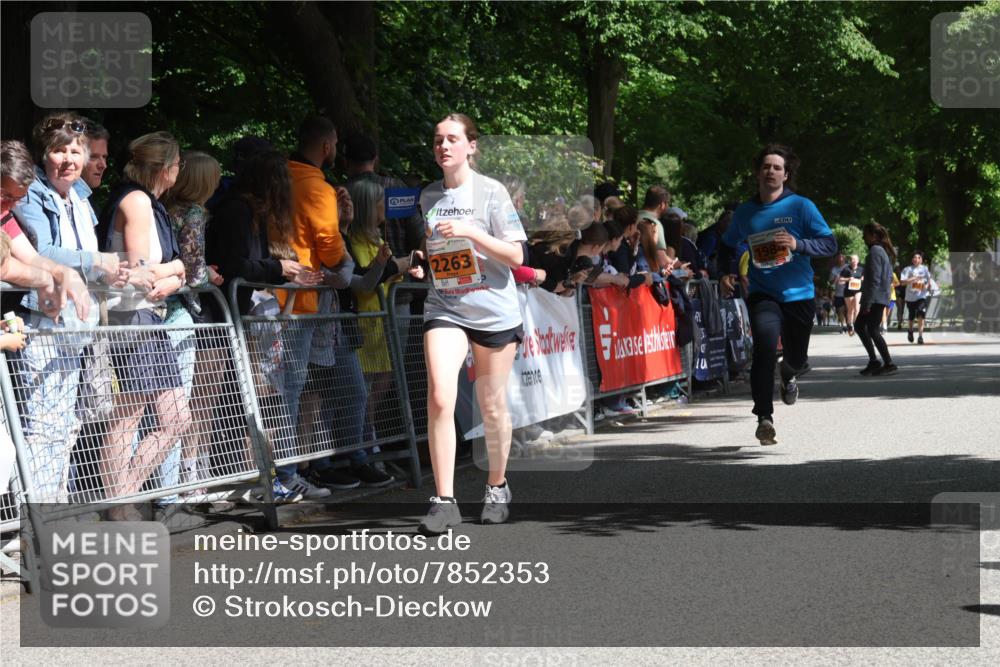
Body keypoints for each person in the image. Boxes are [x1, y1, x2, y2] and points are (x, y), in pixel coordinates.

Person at [415, 113, 527, 535]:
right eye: (438, 140)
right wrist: (422, 263)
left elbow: (516, 256)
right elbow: (439, 249)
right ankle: (444, 501)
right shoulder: (428, 195)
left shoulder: (492, 193)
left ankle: (496, 486)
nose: (443, 146)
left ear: (471, 146)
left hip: (494, 312)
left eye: (453, 139)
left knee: (492, 406)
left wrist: (470, 232)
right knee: (441, 396)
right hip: (446, 306)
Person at [12, 115, 127, 502]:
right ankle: (33, 514)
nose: (69, 160)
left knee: (67, 423)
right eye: (59, 150)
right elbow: (41, 252)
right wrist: (96, 261)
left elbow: (86, 259)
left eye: (75, 151)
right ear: (44, 155)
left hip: (78, 322)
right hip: (45, 320)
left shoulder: (81, 196)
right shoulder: (30, 194)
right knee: (41, 422)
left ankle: (56, 503)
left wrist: (111, 274)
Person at [205, 150, 319, 503]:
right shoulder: (238, 211)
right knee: (249, 400)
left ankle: (257, 479)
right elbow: (238, 266)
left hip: (243, 319)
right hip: (227, 318)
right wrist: (278, 269)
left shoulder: (251, 213)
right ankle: (253, 480)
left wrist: (281, 272)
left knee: (252, 400)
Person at [99, 131, 193, 520]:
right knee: (129, 414)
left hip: (146, 317)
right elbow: (142, 273)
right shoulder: (136, 201)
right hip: (129, 316)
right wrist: (177, 270)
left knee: (176, 418)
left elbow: (166, 275)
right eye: (177, 163)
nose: (180, 170)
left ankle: (124, 497)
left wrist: (176, 274)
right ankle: (118, 508)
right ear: (165, 168)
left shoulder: (150, 203)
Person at [720, 144, 837, 445]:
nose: (771, 171)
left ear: (786, 174)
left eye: (777, 167)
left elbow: (829, 244)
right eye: (766, 166)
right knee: (764, 348)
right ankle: (764, 417)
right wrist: (724, 272)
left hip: (799, 294)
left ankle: (789, 372)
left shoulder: (801, 207)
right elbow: (727, 243)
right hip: (764, 294)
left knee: (796, 357)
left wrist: (799, 245)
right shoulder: (746, 212)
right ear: (758, 172)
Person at [162, 151, 225, 495]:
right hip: (179, 309)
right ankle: (182, 485)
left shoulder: (166, 208)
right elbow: (195, 270)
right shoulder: (195, 213)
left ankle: (170, 483)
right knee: (182, 402)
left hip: (159, 309)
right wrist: (210, 277)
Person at [855, 223, 897, 376]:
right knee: (861, 326)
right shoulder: (882, 251)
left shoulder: (875, 251)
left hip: (875, 298)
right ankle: (875, 361)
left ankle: (888, 363)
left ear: (873, 235)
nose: (863, 237)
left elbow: (874, 279)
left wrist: (868, 302)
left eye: (865, 234)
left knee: (871, 329)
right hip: (879, 296)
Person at [901, 250, 934, 345]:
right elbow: (902, 282)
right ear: (912, 260)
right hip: (910, 296)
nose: (917, 259)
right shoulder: (907, 269)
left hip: (922, 295)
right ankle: (910, 331)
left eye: (919, 258)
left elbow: (929, 279)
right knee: (911, 315)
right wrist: (913, 278)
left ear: (921, 260)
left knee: (921, 313)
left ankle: (920, 336)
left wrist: (927, 285)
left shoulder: (925, 269)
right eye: (915, 257)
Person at [839, 254, 863, 335]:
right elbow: (840, 280)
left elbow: (865, 277)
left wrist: (862, 279)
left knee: (857, 307)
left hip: (858, 290)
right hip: (848, 291)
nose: (853, 261)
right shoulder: (846, 269)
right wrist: (848, 279)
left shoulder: (861, 269)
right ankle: (850, 325)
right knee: (850, 310)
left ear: (858, 261)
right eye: (852, 260)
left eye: (855, 260)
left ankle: (857, 325)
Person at [828, 253, 848, 332]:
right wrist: (835, 279)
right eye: (839, 257)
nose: (840, 259)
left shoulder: (848, 267)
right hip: (838, 293)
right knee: (840, 310)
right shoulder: (834, 269)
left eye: (842, 257)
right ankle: (843, 326)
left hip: (848, 292)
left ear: (844, 258)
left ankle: (848, 324)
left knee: (847, 310)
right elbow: (830, 282)